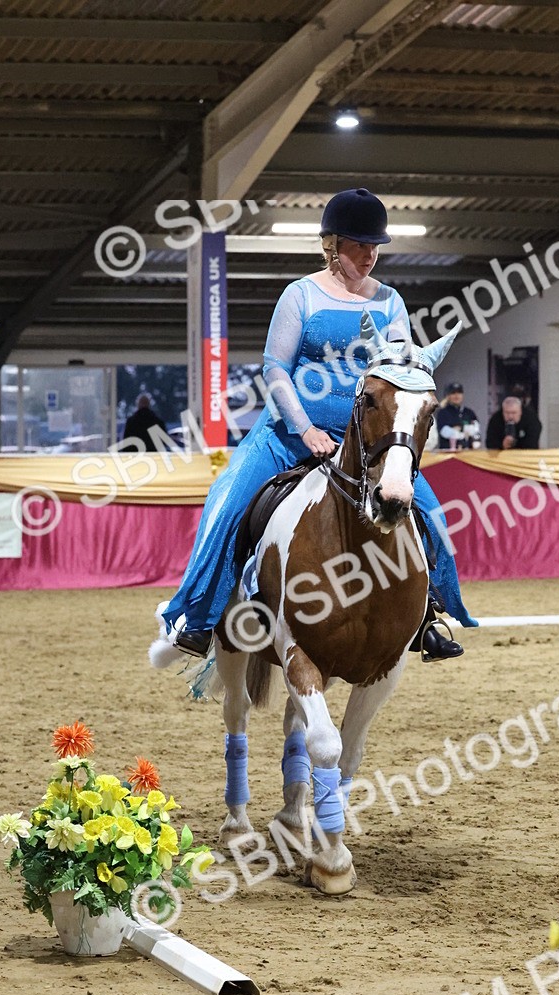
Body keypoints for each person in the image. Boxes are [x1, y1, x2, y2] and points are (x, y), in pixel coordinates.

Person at [163, 187, 476, 661]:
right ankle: (202, 618)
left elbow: (401, 371)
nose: (370, 255)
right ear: (332, 245)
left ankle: (425, 616)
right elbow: (274, 368)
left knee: (429, 517)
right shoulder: (300, 295)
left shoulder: (390, 301)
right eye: (358, 245)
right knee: (226, 502)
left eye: (375, 246)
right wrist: (305, 428)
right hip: (288, 435)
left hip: (365, 441)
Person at [436, 383, 481, 449]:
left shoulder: (469, 412)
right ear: (448, 396)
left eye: (459, 392)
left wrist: (460, 428)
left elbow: (476, 430)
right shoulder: (443, 413)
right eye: (453, 393)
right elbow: (444, 432)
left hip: (467, 452)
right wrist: (463, 433)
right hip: (448, 454)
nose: (456, 396)